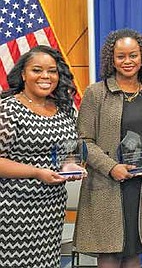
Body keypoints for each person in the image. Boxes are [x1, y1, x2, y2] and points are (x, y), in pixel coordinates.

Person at [74, 29, 142, 267]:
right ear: (111, 60)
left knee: (134, 249)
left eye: (133, 55)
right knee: (110, 252)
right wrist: (111, 167)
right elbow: (83, 140)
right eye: (121, 56)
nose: (127, 61)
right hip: (108, 184)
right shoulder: (96, 93)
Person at [0, 46, 80, 267]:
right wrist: (36, 172)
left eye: (52, 71)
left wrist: (71, 166)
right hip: (12, 211)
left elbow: (68, 150)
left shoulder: (64, 108)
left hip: (51, 209)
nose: (46, 76)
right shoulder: (9, 109)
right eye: (37, 70)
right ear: (23, 74)